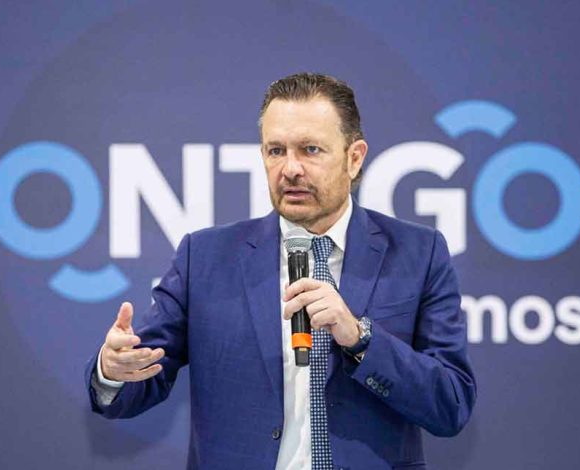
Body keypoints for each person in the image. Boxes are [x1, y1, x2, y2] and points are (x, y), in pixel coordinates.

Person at [86, 73, 476, 470]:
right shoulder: (204, 258)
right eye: (276, 151)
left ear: (354, 157)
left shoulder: (418, 254)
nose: (290, 169)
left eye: (310, 149)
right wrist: (113, 371)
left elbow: (451, 404)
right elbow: (142, 373)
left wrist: (361, 339)